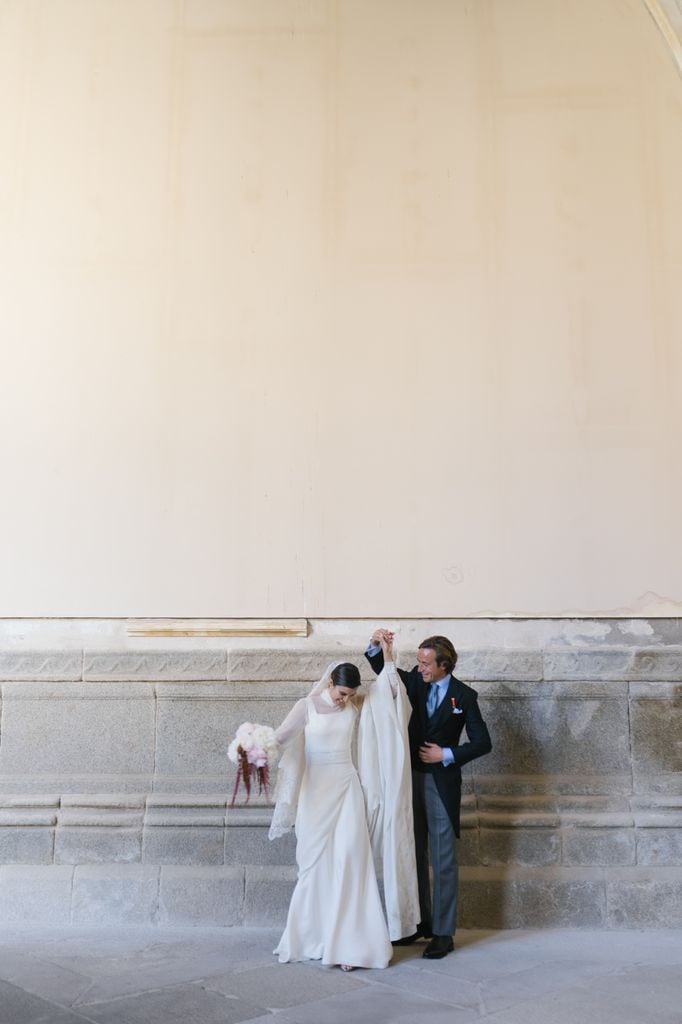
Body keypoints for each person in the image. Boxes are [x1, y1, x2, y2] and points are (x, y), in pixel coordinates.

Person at [269, 649, 419, 970]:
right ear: (331, 683)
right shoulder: (306, 706)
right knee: (314, 862)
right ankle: (312, 937)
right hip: (316, 792)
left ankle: (350, 945)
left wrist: (387, 655)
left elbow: (391, 695)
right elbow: (280, 738)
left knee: (351, 858)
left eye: (350, 695)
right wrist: (253, 747)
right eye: (341, 693)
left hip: (347, 788)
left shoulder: (356, 704)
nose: (344, 700)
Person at [366, 630, 492, 959]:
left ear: (443, 665)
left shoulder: (465, 697)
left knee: (443, 859)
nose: (419, 667)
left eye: (425, 663)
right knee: (413, 851)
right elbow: (384, 672)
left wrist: (446, 754)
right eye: (418, 662)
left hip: (441, 783)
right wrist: (380, 647)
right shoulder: (415, 683)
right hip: (409, 780)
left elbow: (483, 743)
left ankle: (442, 933)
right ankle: (418, 923)